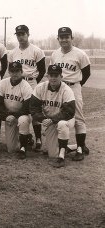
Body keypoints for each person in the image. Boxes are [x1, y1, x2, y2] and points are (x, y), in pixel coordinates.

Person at [50, 26, 91, 156]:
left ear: (71, 38)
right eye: (61, 37)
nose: (64, 40)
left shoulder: (80, 54)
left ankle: (80, 148)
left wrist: (77, 85)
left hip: (73, 87)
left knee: (78, 117)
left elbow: (86, 73)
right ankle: (62, 145)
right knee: (59, 115)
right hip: (59, 89)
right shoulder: (55, 54)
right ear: (58, 39)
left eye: (67, 37)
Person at [30, 64, 77, 168]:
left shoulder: (66, 90)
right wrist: (43, 119)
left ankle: (61, 157)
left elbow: (69, 112)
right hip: (50, 120)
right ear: (47, 76)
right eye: (51, 75)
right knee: (52, 154)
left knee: (62, 124)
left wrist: (52, 120)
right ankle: (75, 147)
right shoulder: (40, 87)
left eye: (56, 75)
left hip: (66, 120)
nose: (53, 78)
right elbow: (33, 108)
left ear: (61, 77)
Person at [8, 24, 46, 150]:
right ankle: (25, 135)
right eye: (18, 34)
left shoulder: (36, 50)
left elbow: (42, 70)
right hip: (18, 83)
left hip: (31, 82)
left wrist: (34, 82)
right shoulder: (13, 52)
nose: (20, 37)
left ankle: (39, 138)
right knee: (21, 109)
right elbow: (11, 70)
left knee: (34, 112)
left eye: (23, 34)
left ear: (28, 34)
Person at [0, 62, 33, 158]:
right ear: (9, 72)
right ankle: (26, 137)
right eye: (12, 71)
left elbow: (27, 107)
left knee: (23, 120)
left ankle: (23, 146)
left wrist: (15, 116)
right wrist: (6, 115)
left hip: (22, 115)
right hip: (8, 116)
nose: (15, 74)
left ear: (21, 72)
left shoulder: (26, 86)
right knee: (11, 149)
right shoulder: (3, 83)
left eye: (17, 71)